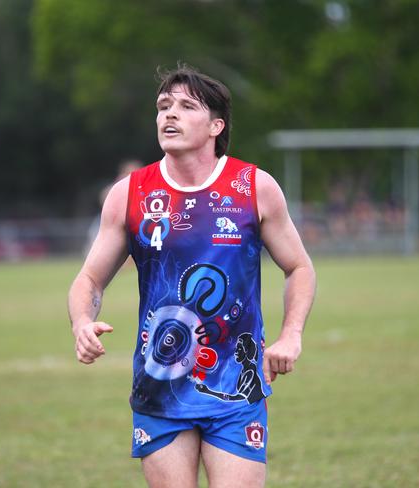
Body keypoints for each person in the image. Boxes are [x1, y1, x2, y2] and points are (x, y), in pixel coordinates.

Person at [68, 64, 316, 488]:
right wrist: (81, 323)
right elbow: (89, 279)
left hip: (237, 387)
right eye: (164, 106)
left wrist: (291, 334)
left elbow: (299, 267)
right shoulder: (130, 193)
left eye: (185, 106)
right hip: (160, 387)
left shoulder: (254, 187)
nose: (169, 114)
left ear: (216, 125)